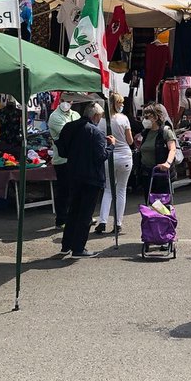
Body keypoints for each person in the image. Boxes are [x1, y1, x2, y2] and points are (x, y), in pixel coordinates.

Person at [56, 102, 112, 258]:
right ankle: (78, 248)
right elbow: (101, 156)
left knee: (73, 211)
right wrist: (111, 147)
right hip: (91, 177)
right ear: (96, 116)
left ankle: (66, 245)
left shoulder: (69, 127)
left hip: (73, 173)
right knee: (85, 214)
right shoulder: (96, 132)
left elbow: (62, 151)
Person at [97, 92, 134, 234]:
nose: (122, 105)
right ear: (116, 104)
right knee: (121, 190)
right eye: (120, 103)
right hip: (124, 156)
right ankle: (118, 223)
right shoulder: (123, 119)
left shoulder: (101, 121)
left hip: (109, 157)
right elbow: (130, 141)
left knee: (108, 189)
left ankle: (102, 221)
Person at [48, 97, 80, 230]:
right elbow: (67, 134)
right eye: (64, 100)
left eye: (70, 100)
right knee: (64, 190)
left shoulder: (75, 114)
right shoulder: (54, 117)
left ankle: (75, 217)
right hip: (62, 159)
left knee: (76, 189)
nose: (67, 103)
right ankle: (61, 219)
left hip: (75, 157)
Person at [137, 104, 178, 181]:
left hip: (161, 172)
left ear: (156, 117)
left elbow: (172, 149)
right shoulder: (145, 132)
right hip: (146, 173)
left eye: (147, 117)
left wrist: (167, 163)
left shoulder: (165, 131)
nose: (144, 120)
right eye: (143, 117)